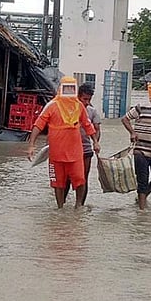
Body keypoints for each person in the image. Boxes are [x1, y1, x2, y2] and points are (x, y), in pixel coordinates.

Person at [28, 76, 101, 209]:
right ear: (60, 89)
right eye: (66, 88)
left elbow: (88, 125)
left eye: (71, 89)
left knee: (80, 179)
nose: (68, 92)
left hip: (75, 153)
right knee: (57, 182)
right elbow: (38, 125)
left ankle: (78, 206)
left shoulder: (79, 106)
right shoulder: (51, 106)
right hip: (56, 154)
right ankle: (60, 208)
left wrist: (95, 141)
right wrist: (31, 145)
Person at [63, 83, 101, 206]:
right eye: (84, 99)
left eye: (89, 99)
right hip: (69, 150)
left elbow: (96, 129)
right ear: (78, 97)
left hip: (85, 149)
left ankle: (79, 206)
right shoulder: (68, 110)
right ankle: (61, 205)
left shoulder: (92, 111)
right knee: (67, 179)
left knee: (83, 178)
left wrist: (96, 142)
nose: (87, 102)